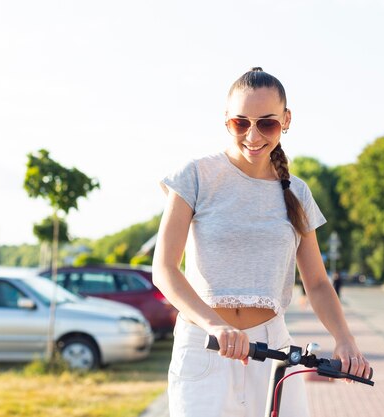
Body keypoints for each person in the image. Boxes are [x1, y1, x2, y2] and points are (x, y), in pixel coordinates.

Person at [152, 67, 371, 417]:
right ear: (227, 122)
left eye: (267, 123)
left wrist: (345, 339)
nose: (253, 135)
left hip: (272, 349)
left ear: (286, 120)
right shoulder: (194, 176)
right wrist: (216, 325)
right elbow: (164, 270)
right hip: (204, 346)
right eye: (241, 123)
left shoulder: (297, 192)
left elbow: (316, 282)